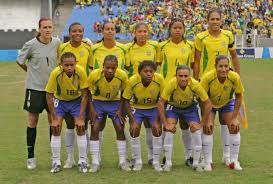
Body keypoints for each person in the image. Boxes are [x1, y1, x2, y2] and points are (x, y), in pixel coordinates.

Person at [194, 8, 240, 165]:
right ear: (207, 21)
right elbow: (197, 60)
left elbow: (234, 56)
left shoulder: (227, 35)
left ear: (221, 20)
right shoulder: (201, 37)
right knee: (207, 123)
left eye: (217, 19)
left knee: (227, 121)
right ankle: (205, 157)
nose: (214, 21)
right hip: (206, 84)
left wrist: (237, 76)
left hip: (226, 82)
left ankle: (227, 156)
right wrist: (195, 83)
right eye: (211, 19)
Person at [16, 17, 61, 170]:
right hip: (34, 89)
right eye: (45, 27)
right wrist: (31, 72)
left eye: (50, 27)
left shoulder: (57, 43)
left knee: (53, 121)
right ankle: (31, 157)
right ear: (39, 29)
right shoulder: (30, 45)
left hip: (52, 90)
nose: (48, 30)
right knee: (32, 121)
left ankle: (54, 157)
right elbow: (20, 61)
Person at [157, 65, 211, 172]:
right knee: (169, 129)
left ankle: (195, 162)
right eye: (180, 76)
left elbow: (208, 104)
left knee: (196, 130)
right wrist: (165, 123)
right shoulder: (172, 83)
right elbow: (160, 103)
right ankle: (167, 162)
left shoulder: (195, 84)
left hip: (190, 108)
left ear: (189, 76)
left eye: (186, 76)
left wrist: (201, 123)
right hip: (174, 108)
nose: (183, 78)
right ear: (175, 76)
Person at [158, 18, 195, 166]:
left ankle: (189, 156)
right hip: (167, 89)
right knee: (166, 124)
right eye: (175, 28)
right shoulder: (162, 46)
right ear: (170, 29)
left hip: (185, 89)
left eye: (180, 28)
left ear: (184, 30)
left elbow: (193, 65)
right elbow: (158, 65)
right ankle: (166, 157)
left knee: (185, 124)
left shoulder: (190, 46)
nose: (178, 30)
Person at [45, 52, 89, 173]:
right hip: (60, 101)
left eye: (71, 65)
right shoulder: (56, 73)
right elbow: (49, 96)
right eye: (66, 65)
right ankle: (56, 161)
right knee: (56, 127)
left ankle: (82, 160)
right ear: (61, 65)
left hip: (76, 101)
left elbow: (85, 95)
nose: (69, 67)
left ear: (76, 63)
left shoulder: (80, 72)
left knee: (80, 127)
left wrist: (80, 117)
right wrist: (54, 118)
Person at [200, 55, 244, 171]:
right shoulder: (207, 78)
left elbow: (239, 97)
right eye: (220, 66)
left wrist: (234, 117)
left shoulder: (234, 77)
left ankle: (233, 160)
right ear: (215, 67)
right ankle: (207, 161)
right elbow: (201, 98)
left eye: (226, 66)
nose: (224, 69)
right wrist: (206, 119)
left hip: (227, 103)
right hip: (210, 104)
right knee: (208, 127)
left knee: (234, 127)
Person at [57, 22, 92, 169]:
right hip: (66, 94)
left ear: (83, 32)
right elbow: (59, 68)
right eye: (74, 31)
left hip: (83, 93)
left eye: (80, 31)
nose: (77, 34)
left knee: (83, 124)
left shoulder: (88, 47)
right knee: (70, 125)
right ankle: (70, 158)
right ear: (69, 33)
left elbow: (91, 68)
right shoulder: (62, 48)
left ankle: (84, 158)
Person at [88, 55, 130, 172]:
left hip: (115, 103)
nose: (110, 70)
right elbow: (88, 92)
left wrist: (120, 110)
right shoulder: (95, 75)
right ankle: (95, 162)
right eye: (107, 68)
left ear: (117, 67)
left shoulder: (122, 75)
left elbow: (124, 93)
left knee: (120, 128)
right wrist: (92, 109)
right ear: (103, 67)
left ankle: (122, 161)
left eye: (113, 68)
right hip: (98, 102)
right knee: (95, 128)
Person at [125, 22, 159, 165]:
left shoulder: (154, 46)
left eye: (145, 31)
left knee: (150, 126)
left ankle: (152, 157)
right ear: (135, 33)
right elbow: (126, 66)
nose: (143, 34)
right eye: (140, 31)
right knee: (134, 126)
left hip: (151, 90)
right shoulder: (128, 48)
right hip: (135, 89)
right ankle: (135, 157)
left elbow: (156, 65)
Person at [123, 61, 164, 171]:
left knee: (157, 129)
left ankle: (155, 161)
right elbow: (126, 100)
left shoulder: (159, 79)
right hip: (138, 108)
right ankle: (137, 160)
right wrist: (132, 121)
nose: (149, 74)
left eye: (151, 71)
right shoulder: (132, 81)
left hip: (154, 107)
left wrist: (158, 120)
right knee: (134, 129)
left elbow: (163, 101)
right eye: (145, 71)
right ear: (139, 72)